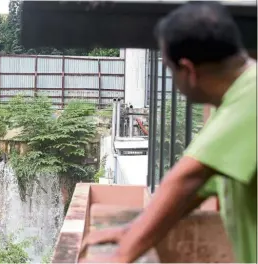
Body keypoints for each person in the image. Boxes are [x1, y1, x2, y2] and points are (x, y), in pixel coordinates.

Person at [79, 1, 257, 263]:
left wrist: (121, 256)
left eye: (170, 69)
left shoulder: (251, 97)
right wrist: (132, 229)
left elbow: (187, 178)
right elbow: (192, 193)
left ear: (188, 70)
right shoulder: (235, 98)